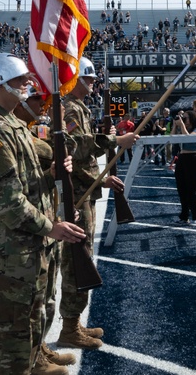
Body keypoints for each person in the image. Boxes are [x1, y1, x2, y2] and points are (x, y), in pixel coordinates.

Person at [0, 53, 84, 375]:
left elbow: (29, 183)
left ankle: (37, 363)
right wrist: (52, 228)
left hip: (27, 243)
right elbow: (8, 201)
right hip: (9, 248)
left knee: (31, 318)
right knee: (8, 335)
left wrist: (55, 172)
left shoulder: (13, 124)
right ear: (1, 85)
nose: (28, 85)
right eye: (21, 81)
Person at [59, 56, 137, 350]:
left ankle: (73, 321)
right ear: (77, 79)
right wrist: (114, 142)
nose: (93, 83)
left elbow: (82, 151)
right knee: (77, 258)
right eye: (89, 78)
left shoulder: (78, 108)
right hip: (77, 194)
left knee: (83, 254)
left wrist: (101, 175)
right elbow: (76, 150)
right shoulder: (71, 108)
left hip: (84, 191)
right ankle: (69, 327)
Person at [171, 110, 196, 224]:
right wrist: (176, 126)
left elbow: (188, 139)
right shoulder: (183, 129)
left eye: (186, 118)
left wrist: (182, 126)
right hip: (182, 159)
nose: (184, 120)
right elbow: (172, 138)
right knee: (182, 189)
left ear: (192, 119)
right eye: (183, 118)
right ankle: (184, 216)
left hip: (193, 158)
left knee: (192, 189)